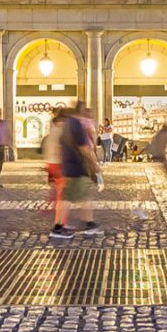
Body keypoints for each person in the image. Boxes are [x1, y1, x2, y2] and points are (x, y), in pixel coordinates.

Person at [51, 101, 102, 240]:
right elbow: (83, 148)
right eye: (86, 111)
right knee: (68, 198)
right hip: (76, 166)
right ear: (80, 112)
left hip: (70, 165)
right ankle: (57, 228)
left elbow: (61, 145)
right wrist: (94, 164)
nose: (88, 114)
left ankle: (90, 224)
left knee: (82, 196)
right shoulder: (75, 124)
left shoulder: (67, 124)